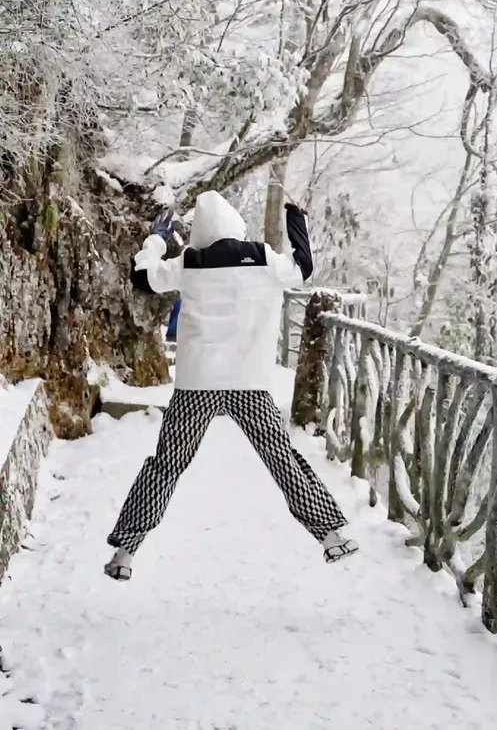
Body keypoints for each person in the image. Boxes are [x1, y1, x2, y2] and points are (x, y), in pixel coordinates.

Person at [105, 191, 358, 580]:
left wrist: (157, 238)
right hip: (249, 383)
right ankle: (331, 535)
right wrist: (296, 219)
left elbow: (143, 277)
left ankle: (125, 551)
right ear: (236, 225)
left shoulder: (190, 262)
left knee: (166, 468)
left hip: (196, 385)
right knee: (283, 460)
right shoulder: (263, 259)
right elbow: (303, 267)